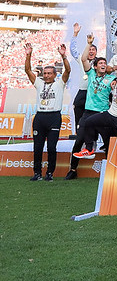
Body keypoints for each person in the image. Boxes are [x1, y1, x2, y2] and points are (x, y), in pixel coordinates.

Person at [65, 34, 115, 180]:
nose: (103, 65)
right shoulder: (91, 74)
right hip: (88, 113)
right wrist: (89, 43)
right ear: (95, 66)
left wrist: (113, 72)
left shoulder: (111, 78)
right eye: (100, 63)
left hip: (103, 114)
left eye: (105, 64)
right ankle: (72, 170)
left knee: (108, 144)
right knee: (79, 140)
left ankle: (111, 172)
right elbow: (83, 59)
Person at [24, 42, 70, 181]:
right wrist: (28, 55)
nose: (46, 75)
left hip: (54, 117)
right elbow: (27, 70)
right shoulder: (39, 83)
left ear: (55, 74)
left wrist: (63, 57)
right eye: (44, 73)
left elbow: (68, 70)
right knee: (37, 147)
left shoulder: (60, 83)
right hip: (40, 117)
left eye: (49, 73)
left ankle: (50, 172)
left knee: (51, 146)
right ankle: (37, 173)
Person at [73, 62, 117, 160]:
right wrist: (115, 79)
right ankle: (89, 149)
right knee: (89, 121)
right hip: (110, 114)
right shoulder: (114, 82)